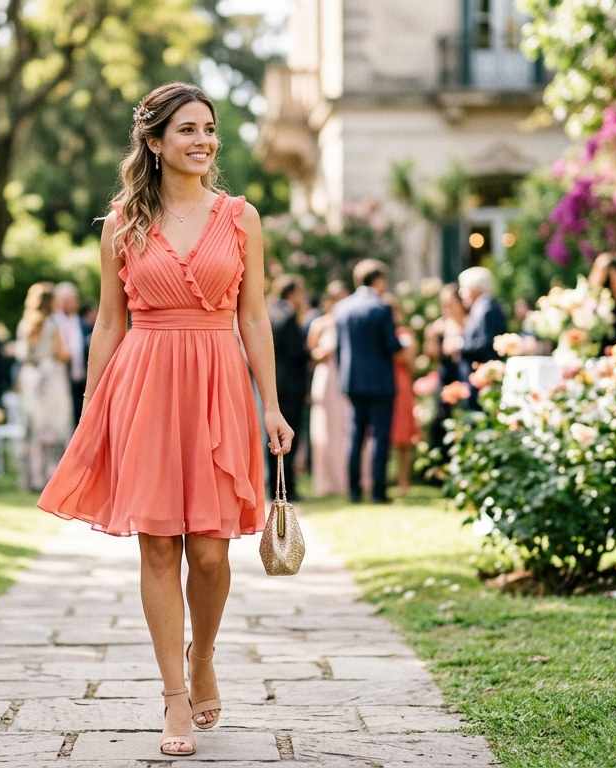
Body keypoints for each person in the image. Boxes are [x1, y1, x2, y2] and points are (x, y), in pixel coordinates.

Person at [36, 82, 292, 758]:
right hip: (144, 384)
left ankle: (202, 654)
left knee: (210, 552)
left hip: (217, 382)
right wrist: (95, 407)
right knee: (158, 546)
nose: (202, 140)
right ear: (153, 142)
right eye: (186, 129)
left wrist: (272, 402)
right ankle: (173, 696)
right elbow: (108, 322)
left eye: (208, 128)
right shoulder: (124, 223)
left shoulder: (241, 217)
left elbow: (255, 316)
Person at [334, 258, 401, 504]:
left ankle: (354, 491)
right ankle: (378, 492)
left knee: (355, 437)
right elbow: (391, 345)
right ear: (378, 280)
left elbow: (340, 348)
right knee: (380, 438)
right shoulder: (381, 308)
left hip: (352, 381)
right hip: (381, 381)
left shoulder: (342, 308)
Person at [307, 280, 368, 497]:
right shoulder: (319, 324)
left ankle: (353, 478)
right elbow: (311, 353)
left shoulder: (348, 321)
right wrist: (323, 353)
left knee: (347, 427)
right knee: (326, 428)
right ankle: (328, 481)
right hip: (326, 377)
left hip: (346, 377)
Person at [16, 283, 73, 491]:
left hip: (30, 377)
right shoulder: (51, 325)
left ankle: (32, 478)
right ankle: (52, 476)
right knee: (54, 429)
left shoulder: (25, 324)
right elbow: (61, 353)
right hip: (51, 379)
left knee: (33, 428)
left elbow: (23, 354)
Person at [268, 275, 309, 500]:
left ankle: (273, 486)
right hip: (291, 383)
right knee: (290, 436)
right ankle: (288, 488)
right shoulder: (289, 315)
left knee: (273, 436)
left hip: (274, 382)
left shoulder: (270, 312)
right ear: (292, 293)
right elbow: (296, 352)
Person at [425, 284, 468, 459]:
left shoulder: (470, 323)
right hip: (446, 377)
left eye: (450, 303)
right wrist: (432, 337)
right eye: (444, 304)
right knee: (441, 419)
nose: (447, 308)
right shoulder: (440, 327)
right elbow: (431, 355)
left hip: (464, 376)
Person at [455, 267, 507, 400]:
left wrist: (460, 345)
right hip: (476, 378)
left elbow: (487, 343)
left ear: (475, 288)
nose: (461, 293)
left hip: (484, 380)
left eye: (464, 288)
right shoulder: (480, 308)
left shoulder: (487, 309)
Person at [387, 297, 420, 494]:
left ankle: (403, 481)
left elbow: (410, 360)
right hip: (385, 383)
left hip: (402, 385)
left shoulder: (404, 334)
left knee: (403, 435)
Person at [52, 282, 89, 423]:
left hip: (82, 379)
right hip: (60, 380)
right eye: (66, 300)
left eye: (73, 299)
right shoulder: (53, 323)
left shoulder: (84, 324)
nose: (71, 303)